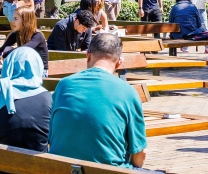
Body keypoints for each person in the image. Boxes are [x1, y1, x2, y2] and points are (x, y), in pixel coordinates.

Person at [49, 31, 148, 168]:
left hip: (60, 169)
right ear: (119, 64)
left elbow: (52, 136)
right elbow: (140, 154)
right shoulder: (128, 92)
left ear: (88, 56)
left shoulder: (63, 85)